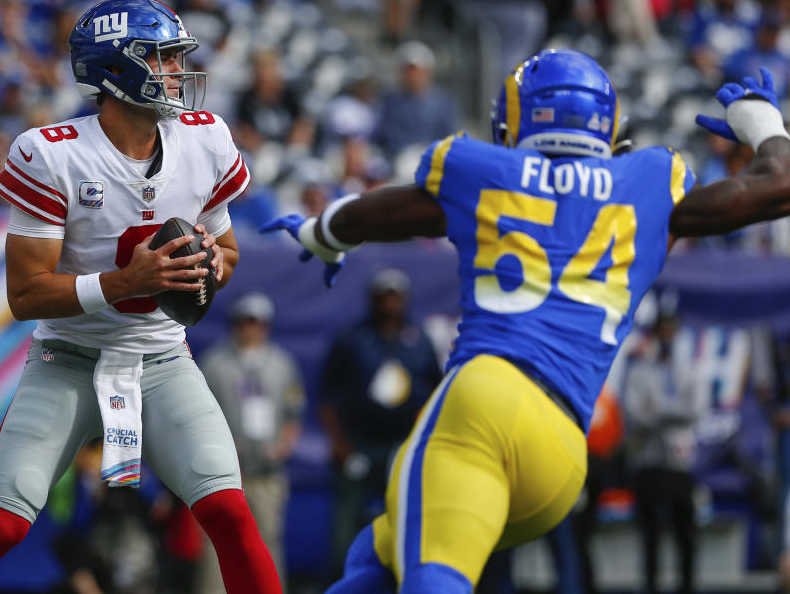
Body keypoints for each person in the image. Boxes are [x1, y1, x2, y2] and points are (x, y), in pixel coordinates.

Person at [262, 49, 790, 593]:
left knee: (430, 571)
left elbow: (383, 211)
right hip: (561, 451)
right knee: (380, 552)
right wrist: (762, 122)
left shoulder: (479, 169)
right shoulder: (650, 182)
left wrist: (321, 233)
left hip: (486, 403)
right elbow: (778, 184)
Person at [0, 0, 281, 594]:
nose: (175, 71)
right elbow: (26, 295)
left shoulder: (205, 138)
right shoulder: (52, 153)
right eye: (161, 58)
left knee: (230, 512)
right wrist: (126, 283)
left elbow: (230, 254)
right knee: (1, 526)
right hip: (68, 360)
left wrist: (212, 264)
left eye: (174, 58)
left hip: (163, 360)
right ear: (116, 69)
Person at [318, 268, 441, 579]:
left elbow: (436, 392)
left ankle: (400, 582)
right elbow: (327, 395)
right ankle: (342, 582)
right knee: (346, 524)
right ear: (372, 299)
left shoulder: (418, 339)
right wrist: (339, 443)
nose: (390, 303)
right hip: (358, 443)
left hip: (402, 445)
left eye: (395, 296)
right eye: (384, 296)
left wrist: (421, 441)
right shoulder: (353, 338)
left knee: (403, 520)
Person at [197, 292, 305, 594]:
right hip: (226, 471)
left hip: (268, 469)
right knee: (218, 540)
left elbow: (294, 411)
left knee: (268, 539)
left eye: (257, 323)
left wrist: (284, 444)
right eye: (246, 322)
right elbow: (199, 413)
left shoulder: (282, 363)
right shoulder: (216, 363)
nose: (251, 329)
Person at [623, 310, 702, 594]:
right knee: (651, 534)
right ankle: (651, 586)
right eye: (663, 333)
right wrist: (671, 414)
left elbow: (694, 411)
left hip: (679, 464)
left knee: (686, 534)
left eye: (673, 332)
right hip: (649, 462)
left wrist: (657, 410)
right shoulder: (639, 370)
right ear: (655, 335)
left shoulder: (687, 370)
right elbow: (635, 413)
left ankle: (687, 586)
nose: (668, 339)